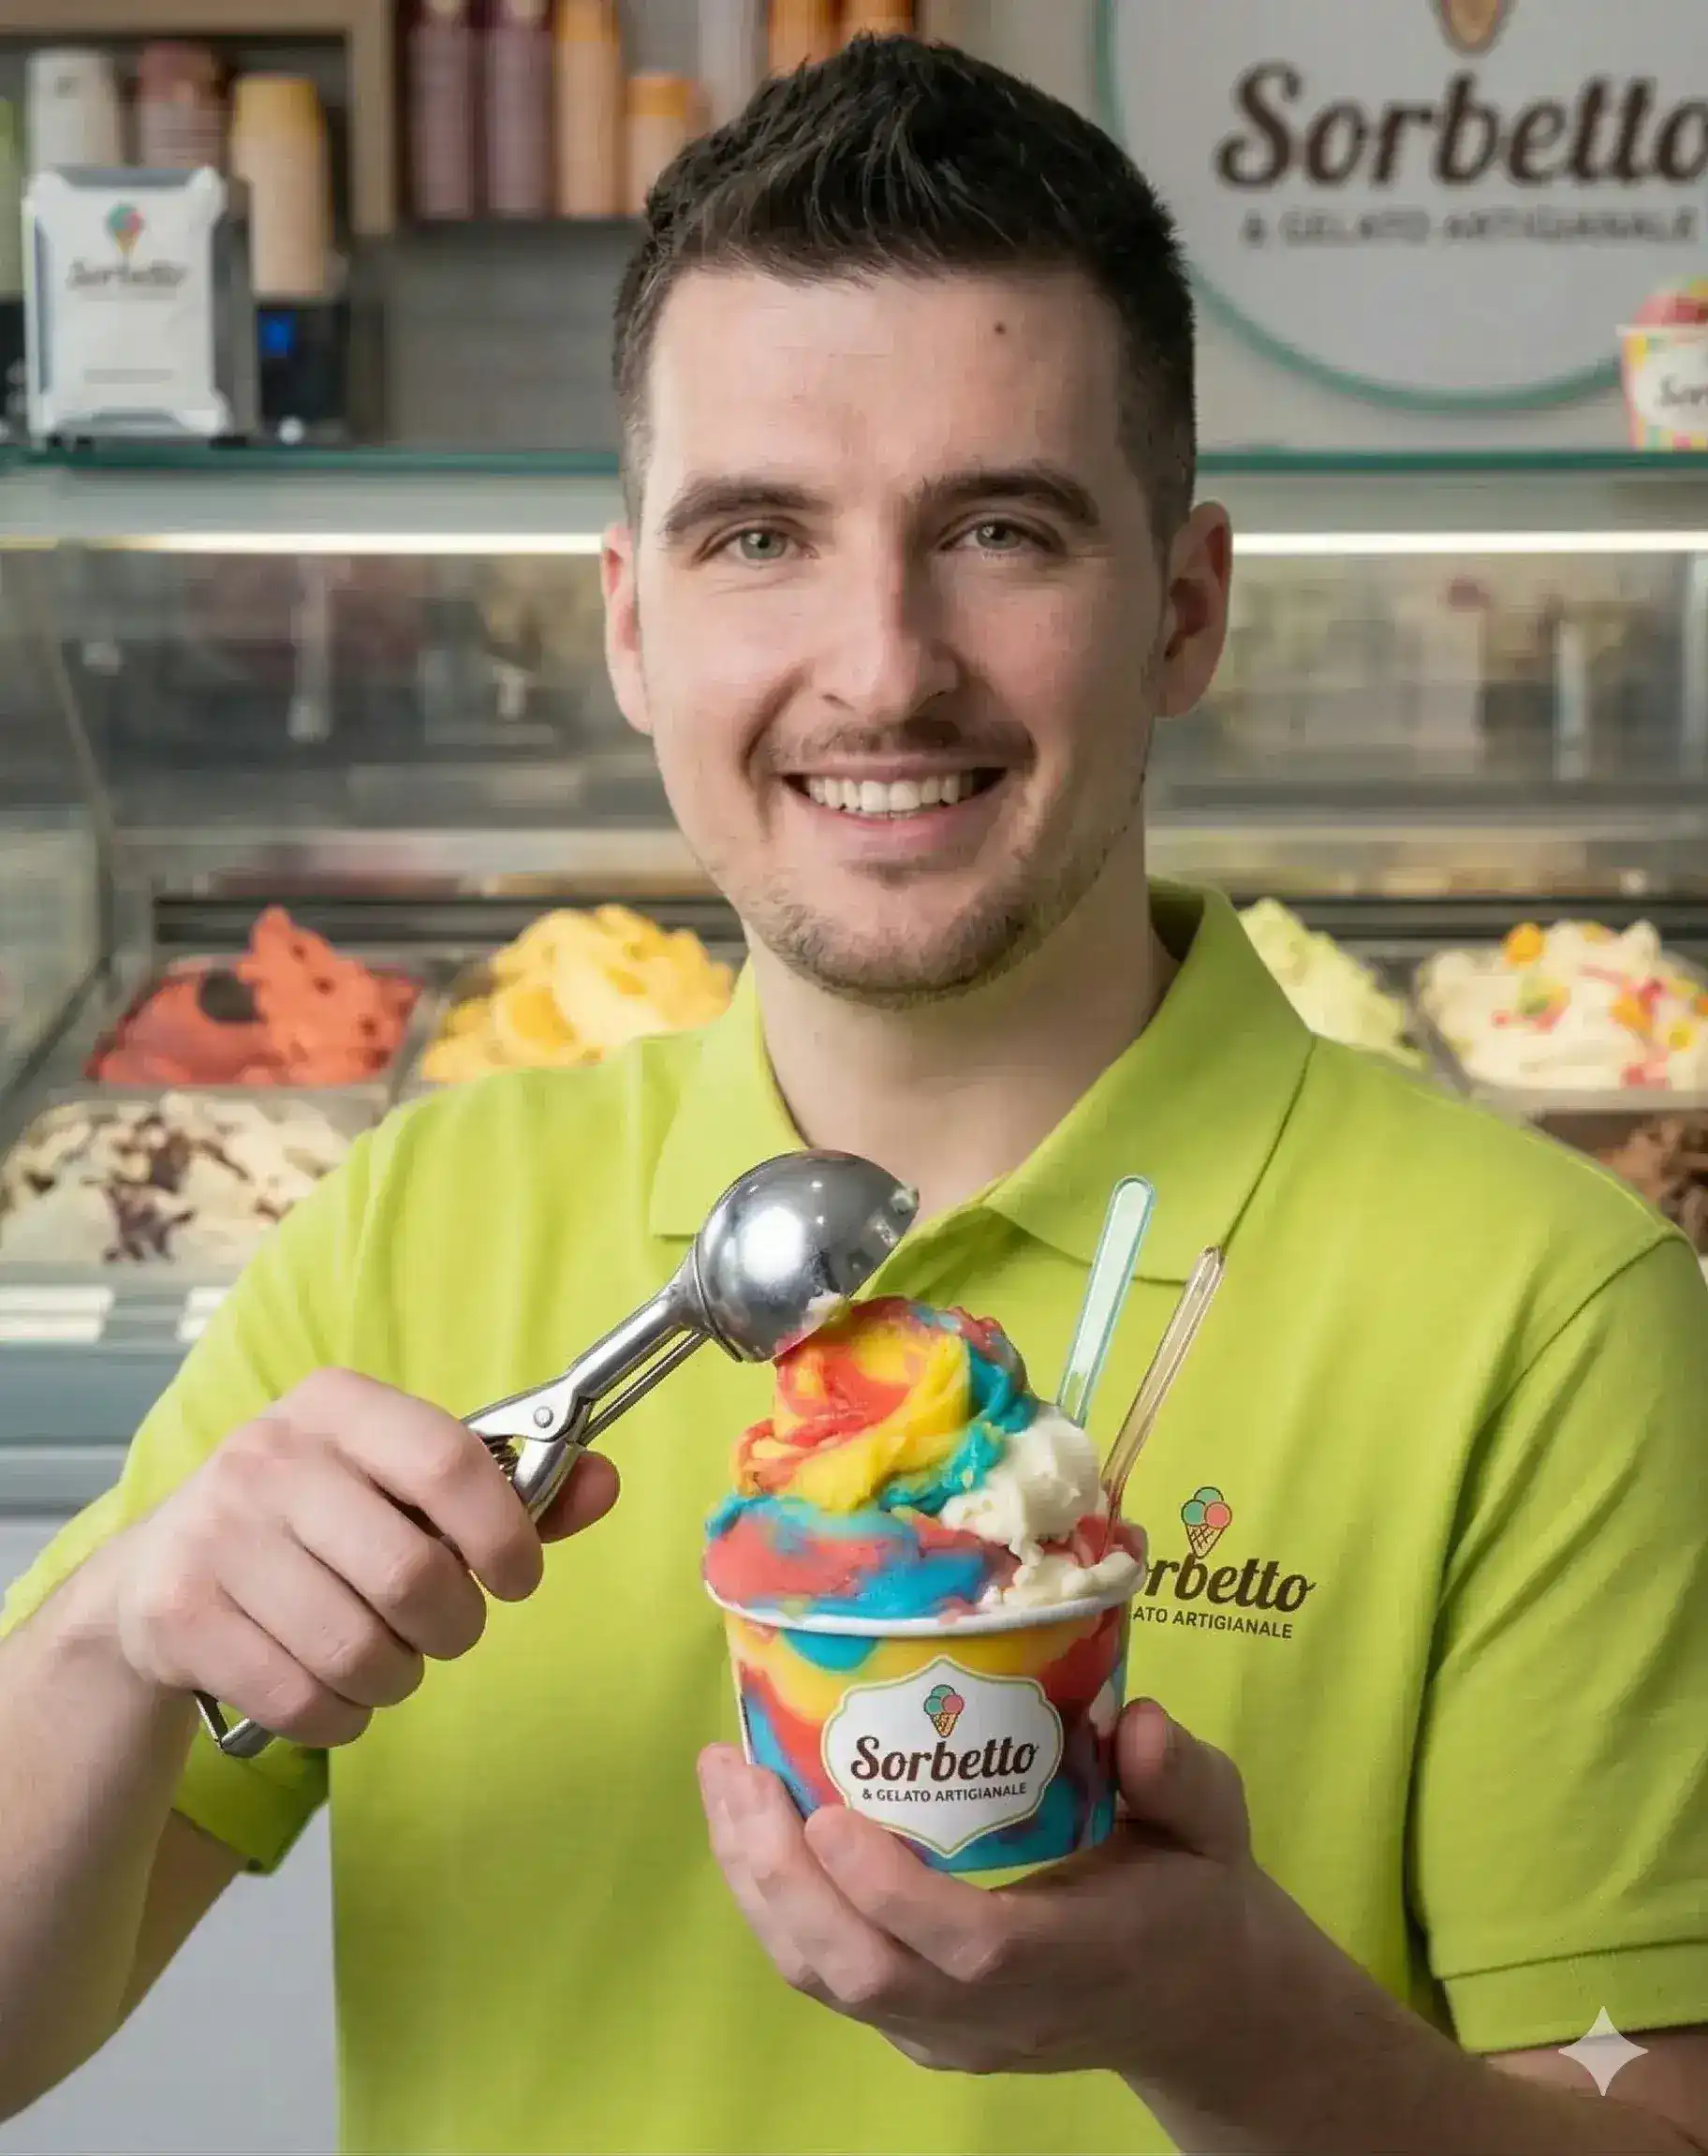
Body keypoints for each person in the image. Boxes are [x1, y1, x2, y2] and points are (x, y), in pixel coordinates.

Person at [3, 35, 1706, 2156]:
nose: (882, 664)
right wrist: (108, 1637)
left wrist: (1240, 2024)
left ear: (1182, 610)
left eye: (999, 527)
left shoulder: (1551, 1312)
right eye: (757, 538)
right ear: (630, 628)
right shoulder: (411, 1230)